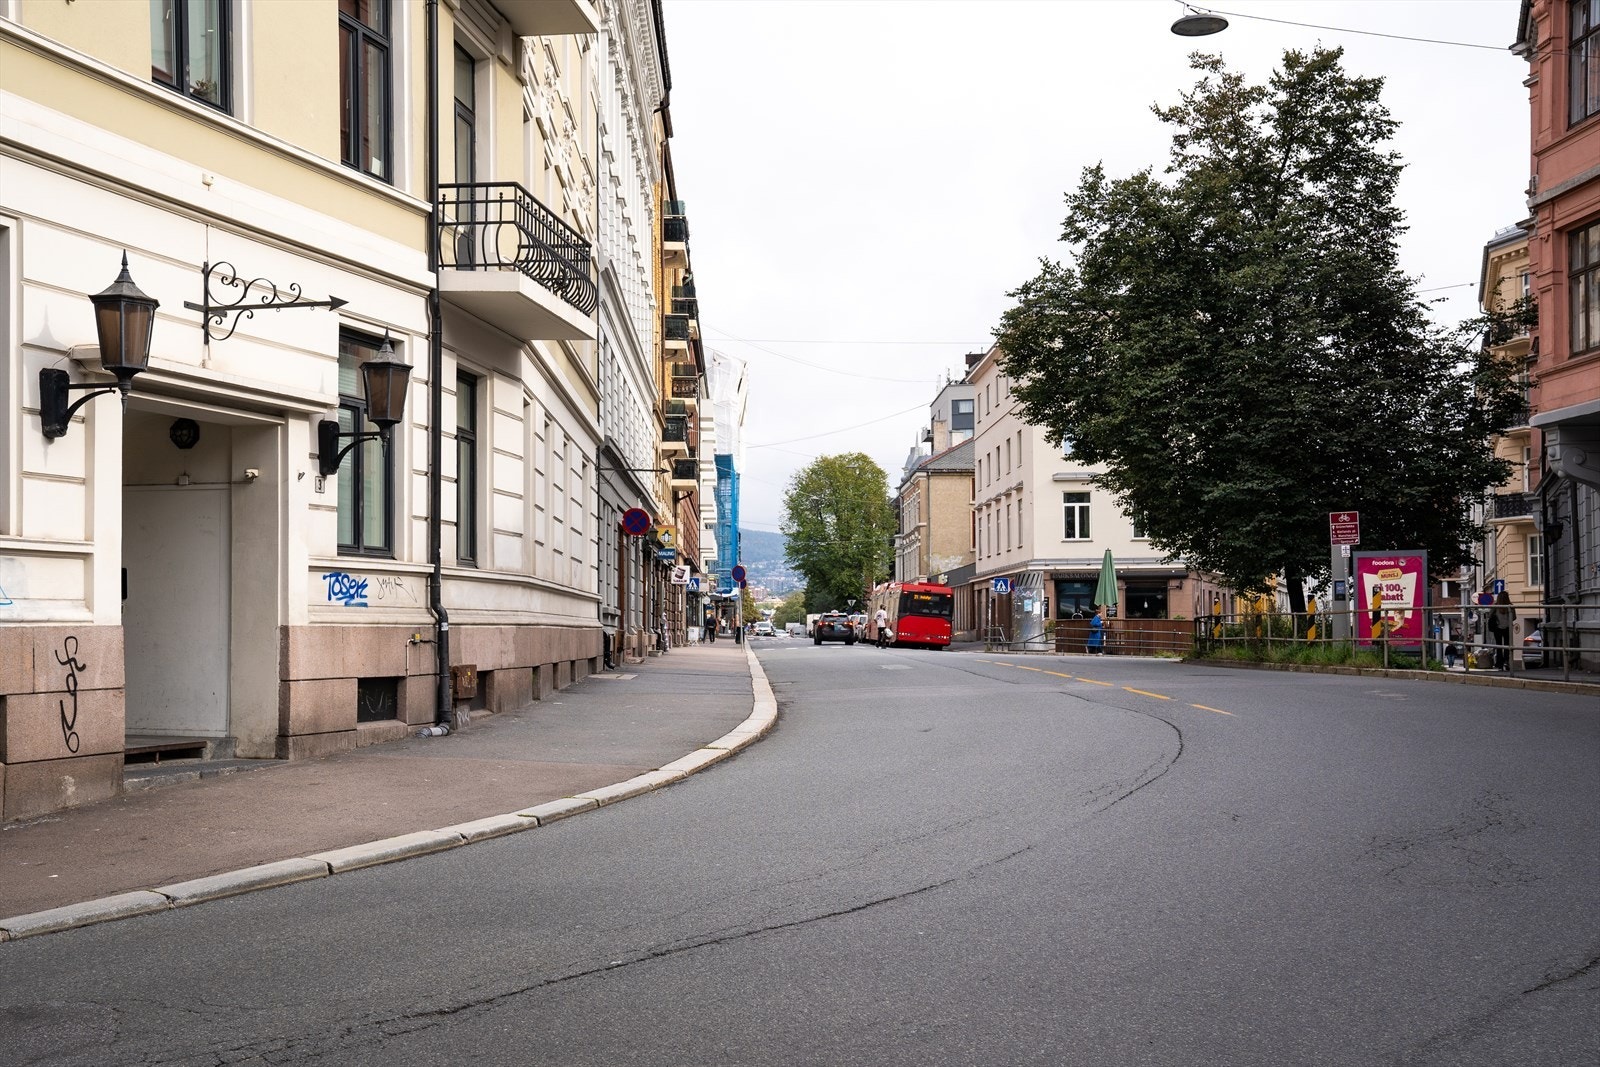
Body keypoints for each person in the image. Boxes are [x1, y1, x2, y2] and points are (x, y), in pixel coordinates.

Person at [1488, 591, 1516, 671]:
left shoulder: (1496, 606)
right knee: (1507, 646)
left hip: (1497, 628)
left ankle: (1499, 663)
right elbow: (1514, 617)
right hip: (1508, 628)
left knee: (1499, 646)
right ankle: (1507, 662)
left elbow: (1490, 615)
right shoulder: (1510, 606)